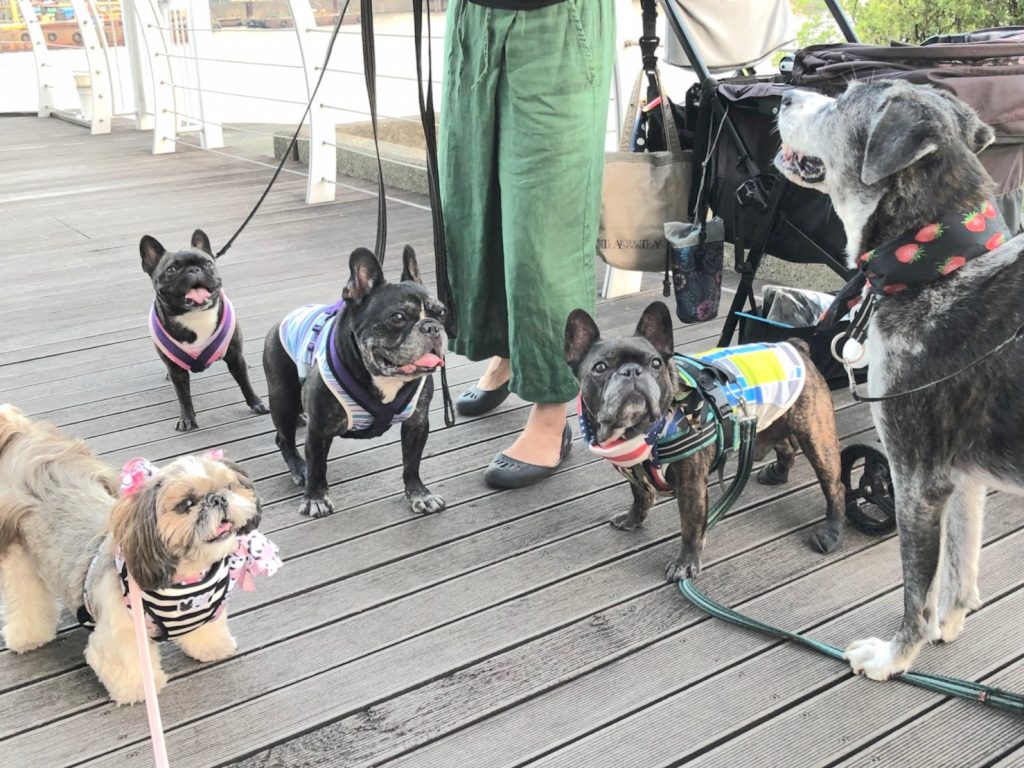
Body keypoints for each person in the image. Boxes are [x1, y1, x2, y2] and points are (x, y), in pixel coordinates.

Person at [439, 0, 616, 488]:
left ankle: (553, 406)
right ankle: (509, 350)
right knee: (475, 207)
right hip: (472, 20)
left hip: (555, 22)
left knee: (545, 226)